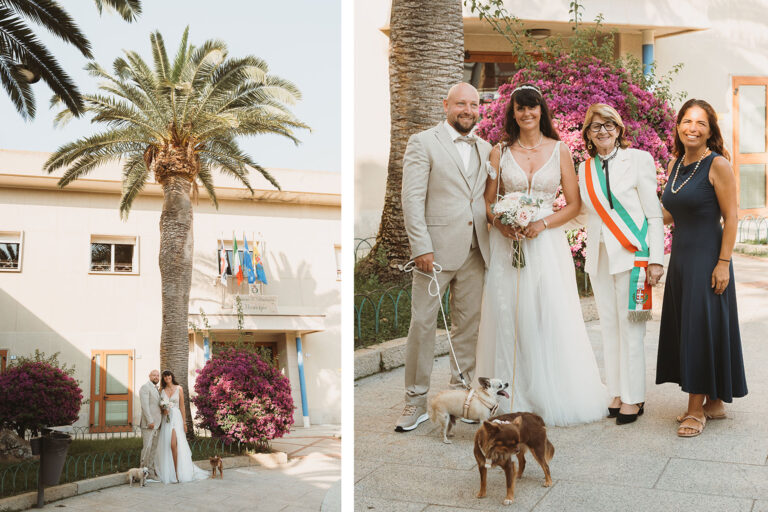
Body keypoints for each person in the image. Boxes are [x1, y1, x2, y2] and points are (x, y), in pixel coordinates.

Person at [474, 84, 607, 427]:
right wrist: (501, 223)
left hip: (546, 246)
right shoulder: (499, 152)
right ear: (513, 113)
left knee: (548, 314)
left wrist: (543, 224)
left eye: (532, 108)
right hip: (509, 245)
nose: (527, 114)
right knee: (511, 315)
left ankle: (552, 392)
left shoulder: (560, 150)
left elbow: (574, 204)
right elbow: (488, 202)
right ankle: (511, 396)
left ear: (541, 112)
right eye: (520, 108)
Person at [396, 82, 492, 432]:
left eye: (474, 104)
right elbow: (412, 198)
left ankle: (459, 394)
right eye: (460, 104)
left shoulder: (486, 147)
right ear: (446, 105)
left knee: (467, 327)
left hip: (475, 250)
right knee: (422, 325)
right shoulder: (423, 142)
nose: (468, 110)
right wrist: (420, 245)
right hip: (433, 252)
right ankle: (414, 401)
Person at [656, 99, 747, 437]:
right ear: (678, 125)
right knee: (693, 326)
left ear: (710, 131)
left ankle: (695, 410)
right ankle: (714, 402)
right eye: (687, 121)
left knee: (698, 327)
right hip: (681, 258)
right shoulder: (674, 163)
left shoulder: (717, 164)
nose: (692, 128)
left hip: (708, 258)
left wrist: (723, 263)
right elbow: (671, 213)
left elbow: (732, 216)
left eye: (701, 123)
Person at [574, 103, 665, 425]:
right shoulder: (584, 170)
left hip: (633, 256)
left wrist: (656, 259)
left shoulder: (638, 159)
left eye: (609, 125)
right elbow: (583, 214)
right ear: (587, 133)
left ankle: (633, 397)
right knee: (609, 328)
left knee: (631, 329)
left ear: (620, 128)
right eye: (596, 126)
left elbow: (654, 214)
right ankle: (615, 390)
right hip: (599, 257)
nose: (603, 131)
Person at [155, 370, 209, 483]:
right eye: (164, 377)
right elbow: (159, 406)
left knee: (174, 444)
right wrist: (163, 409)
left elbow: (182, 406)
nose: (167, 378)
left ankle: (177, 473)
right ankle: (172, 472)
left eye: (168, 375)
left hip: (177, 418)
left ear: (171, 376)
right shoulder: (162, 390)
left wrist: (184, 423)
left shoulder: (179, 388)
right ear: (163, 379)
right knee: (167, 445)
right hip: (167, 419)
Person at [139, 369, 162, 481]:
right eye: (154, 375)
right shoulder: (145, 387)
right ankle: (141, 473)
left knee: (153, 449)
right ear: (149, 376)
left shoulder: (157, 389)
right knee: (147, 448)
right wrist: (150, 421)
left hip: (158, 424)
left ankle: (151, 473)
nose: (156, 377)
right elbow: (145, 406)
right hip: (149, 424)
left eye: (158, 375)